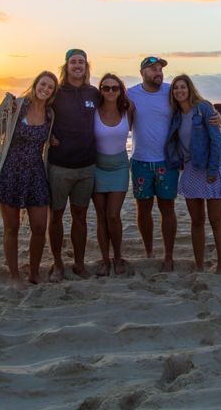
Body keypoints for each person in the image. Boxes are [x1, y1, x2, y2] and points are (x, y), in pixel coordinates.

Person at [0, 70, 58, 284]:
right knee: (12, 227)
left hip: (36, 174)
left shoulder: (49, 114)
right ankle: (14, 274)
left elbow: (50, 137)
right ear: (35, 84)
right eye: (43, 84)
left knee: (39, 226)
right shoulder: (19, 106)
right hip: (11, 173)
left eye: (50, 87)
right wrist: (4, 108)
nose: (45, 89)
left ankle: (34, 272)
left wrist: (54, 139)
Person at [166, 74, 221, 274]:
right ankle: (199, 265)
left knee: (216, 219)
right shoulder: (177, 115)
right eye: (176, 88)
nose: (179, 91)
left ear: (190, 89)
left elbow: (215, 140)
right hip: (190, 169)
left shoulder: (203, 108)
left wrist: (213, 169)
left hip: (211, 167)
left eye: (182, 87)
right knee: (196, 221)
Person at [47, 49, 100, 281]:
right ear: (66, 66)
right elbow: (36, 110)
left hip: (87, 166)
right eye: (73, 62)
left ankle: (79, 264)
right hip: (59, 166)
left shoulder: (94, 93)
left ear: (86, 66)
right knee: (56, 216)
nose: (77, 65)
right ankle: (58, 264)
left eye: (81, 62)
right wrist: (45, 136)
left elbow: (116, 110)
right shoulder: (56, 93)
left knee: (80, 216)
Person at [127, 56, 178, 272]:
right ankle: (148, 251)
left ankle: (168, 255)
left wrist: (215, 117)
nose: (159, 72)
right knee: (143, 208)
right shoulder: (131, 94)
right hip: (140, 160)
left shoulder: (171, 91)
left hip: (167, 161)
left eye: (160, 69)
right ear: (143, 73)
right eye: (153, 69)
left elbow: (195, 104)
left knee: (168, 208)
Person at [92, 72, 133, 276]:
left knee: (113, 215)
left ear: (120, 91)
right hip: (97, 167)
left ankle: (117, 257)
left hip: (119, 167)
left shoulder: (128, 111)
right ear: (100, 91)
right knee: (101, 216)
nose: (110, 91)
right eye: (105, 88)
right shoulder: (93, 112)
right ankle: (104, 259)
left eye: (114, 88)